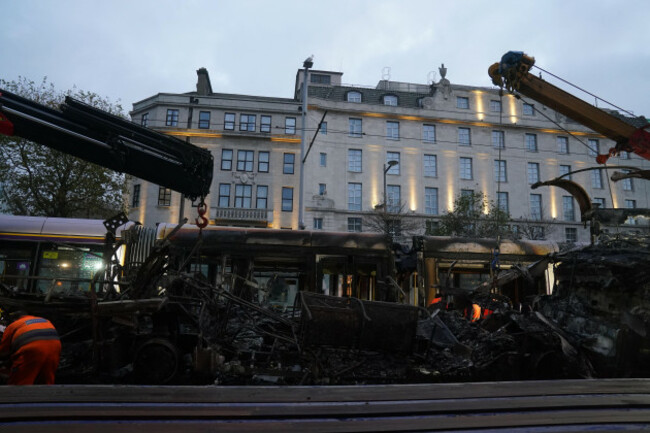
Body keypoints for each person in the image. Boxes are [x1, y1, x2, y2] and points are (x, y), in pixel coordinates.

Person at [0, 311, 61, 385]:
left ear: (13, 319)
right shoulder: (44, 320)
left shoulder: (13, 325)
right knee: (46, 381)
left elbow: (3, 352)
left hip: (32, 350)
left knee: (20, 383)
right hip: (55, 348)